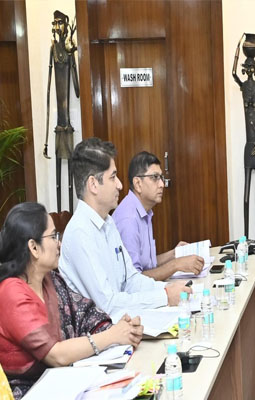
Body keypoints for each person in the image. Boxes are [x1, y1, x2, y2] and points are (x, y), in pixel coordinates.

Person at [0, 203, 143, 399]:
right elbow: (56, 355)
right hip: (29, 392)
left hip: (68, 382)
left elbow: (85, 314)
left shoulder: (51, 280)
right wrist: (112, 336)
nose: (59, 243)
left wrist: (124, 330)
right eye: (53, 236)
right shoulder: (11, 293)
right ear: (33, 247)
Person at [59, 138, 190, 319]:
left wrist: (168, 289)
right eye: (113, 177)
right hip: (102, 330)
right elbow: (107, 305)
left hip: (122, 322)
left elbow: (131, 280)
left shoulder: (108, 222)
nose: (120, 185)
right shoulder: (80, 233)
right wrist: (165, 297)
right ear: (93, 184)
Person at [113, 152, 204, 281]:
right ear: (138, 184)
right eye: (155, 177)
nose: (161, 184)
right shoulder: (128, 219)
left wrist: (173, 254)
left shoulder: (144, 211)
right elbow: (134, 281)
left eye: (161, 177)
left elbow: (147, 264)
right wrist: (176, 265)